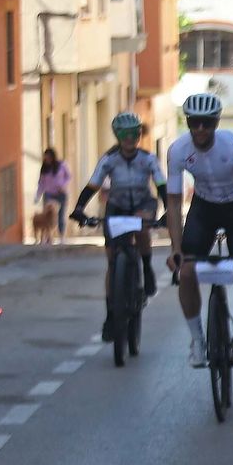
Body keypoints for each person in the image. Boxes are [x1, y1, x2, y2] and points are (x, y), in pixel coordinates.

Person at [164, 92, 233, 371]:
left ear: (216, 122)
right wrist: (175, 248)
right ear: (187, 122)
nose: (200, 129)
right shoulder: (178, 150)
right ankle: (197, 339)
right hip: (203, 208)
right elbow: (172, 202)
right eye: (194, 122)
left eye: (207, 123)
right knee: (185, 271)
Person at [69, 113, 167, 338]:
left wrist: (168, 211)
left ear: (139, 136)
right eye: (124, 135)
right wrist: (79, 208)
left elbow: (161, 185)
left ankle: (147, 266)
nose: (130, 139)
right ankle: (111, 314)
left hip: (143, 202)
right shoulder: (109, 159)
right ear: (118, 136)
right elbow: (92, 185)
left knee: (142, 226)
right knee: (112, 261)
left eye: (134, 134)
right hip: (117, 206)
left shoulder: (148, 159)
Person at [34, 148, 73, 243]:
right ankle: (47, 237)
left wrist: (63, 186)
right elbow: (41, 183)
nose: (47, 160)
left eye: (48, 157)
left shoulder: (61, 165)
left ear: (52, 157)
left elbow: (68, 176)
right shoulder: (44, 169)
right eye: (45, 158)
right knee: (46, 216)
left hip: (61, 194)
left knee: (60, 214)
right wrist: (37, 195)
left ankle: (61, 236)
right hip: (49, 194)